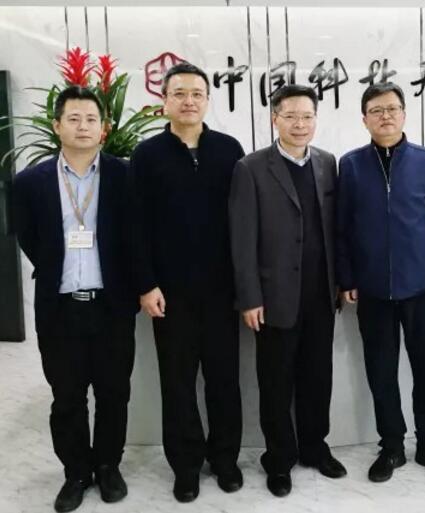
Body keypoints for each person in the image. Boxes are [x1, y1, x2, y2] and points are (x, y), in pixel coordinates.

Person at [12, 86, 137, 512]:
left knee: (114, 393)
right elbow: (30, 239)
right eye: (73, 118)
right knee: (67, 397)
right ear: (57, 125)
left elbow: (135, 238)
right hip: (60, 307)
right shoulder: (30, 183)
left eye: (91, 119)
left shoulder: (125, 176)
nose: (83, 126)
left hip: (111, 306)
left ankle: (108, 466)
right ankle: (76, 473)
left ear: (104, 128)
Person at [131, 63, 244, 501]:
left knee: (224, 379)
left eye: (197, 93)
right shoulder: (147, 155)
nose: (189, 101)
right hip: (170, 294)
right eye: (179, 93)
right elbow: (136, 226)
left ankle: (225, 459)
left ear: (208, 100)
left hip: (222, 291)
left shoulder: (229, 150)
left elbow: (244, 221)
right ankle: (186, 465)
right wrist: (146, 284)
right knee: (177, 383)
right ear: (164, 101)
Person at [229, 84, 346, 498]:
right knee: (276, 383)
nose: (300, 124)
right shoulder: (250, 168)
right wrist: (249, 297)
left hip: (320, 295)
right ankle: (278, 458)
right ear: (274, 118)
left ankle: (315, 447)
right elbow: (242, 238)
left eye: (307, 116)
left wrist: (341, 283)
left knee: (318, 378)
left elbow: (335, 229)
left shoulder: (327, 163)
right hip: (273, 297)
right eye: (291, 116)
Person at [337, 82, 425, 482]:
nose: (385, 116)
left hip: (422, 287)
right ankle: (391, 446)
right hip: (372, 289)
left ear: (404, 114)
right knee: (381, 371)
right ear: (364, 119)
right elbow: (342, 228)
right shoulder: (351, 165)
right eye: (376, 110)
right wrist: (347, 276)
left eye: (392, 109)